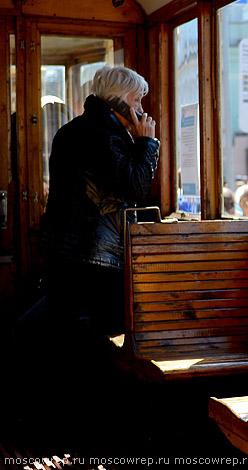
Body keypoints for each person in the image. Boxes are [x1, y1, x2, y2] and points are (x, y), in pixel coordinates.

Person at [40, 65, 159, 335]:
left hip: (66, 250)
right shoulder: (107, 137)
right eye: (136, 99)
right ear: (116, 100)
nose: (142, 109)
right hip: (96, 255)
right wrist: (146, 144)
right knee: (100, 335)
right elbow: (136, 187)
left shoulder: (72, 130)